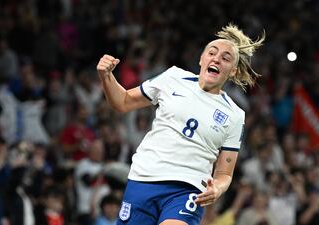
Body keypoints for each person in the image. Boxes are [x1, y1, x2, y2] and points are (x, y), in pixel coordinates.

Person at [96, 24, 264, 225]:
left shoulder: (235, 115)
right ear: (201, 59)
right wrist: (106, 76)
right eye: (212, 53)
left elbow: (224, 173)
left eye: (226, 58)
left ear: (233, 71)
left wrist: (217, 188)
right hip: (144, 178)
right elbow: (122, 102)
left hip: (187, 188)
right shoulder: (173, 78)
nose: (217, 58)